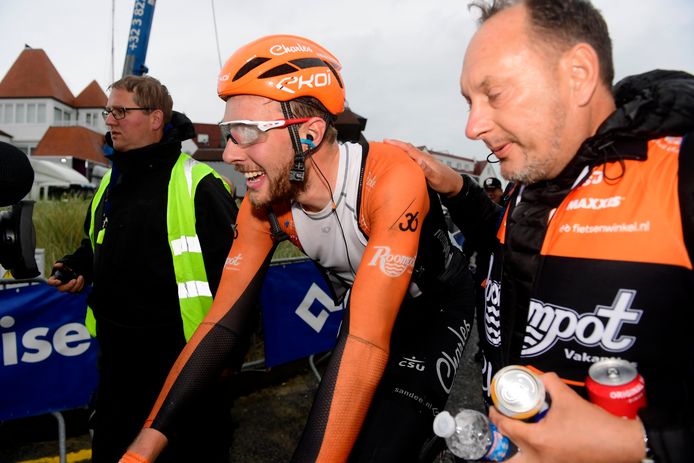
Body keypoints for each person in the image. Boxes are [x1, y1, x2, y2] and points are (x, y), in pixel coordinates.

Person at [119, 35, 475, 463]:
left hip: (432, 311)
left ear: (309, 134)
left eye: (245, 133)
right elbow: (220, 326)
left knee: (383, 447)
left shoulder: (388, 177)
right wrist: (146, 443)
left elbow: (364, 341)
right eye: (228, 133)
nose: (230, 153)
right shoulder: (264, 207)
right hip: (366, 313)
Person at [386, 1, 694, 462]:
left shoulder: (679, 173)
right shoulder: (536, 177)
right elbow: (513, 253)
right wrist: (456, 189)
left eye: (495, 94)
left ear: (578, 74)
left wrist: (637, 444)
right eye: (469, 102)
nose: (473, 127)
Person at [47, 75, 238, 463]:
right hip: (117, 365)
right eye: (108, 112)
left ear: (155, 118)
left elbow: (237, 279)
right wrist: (79, 264)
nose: (110, 120)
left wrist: (224, 359)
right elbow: (96, 242)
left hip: (181, 366)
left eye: (120, 111)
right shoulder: (110, 182)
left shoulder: (198, 184)